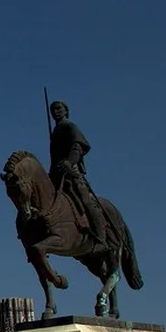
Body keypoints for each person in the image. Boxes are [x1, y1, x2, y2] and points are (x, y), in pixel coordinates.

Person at [48, 100, 108, 247]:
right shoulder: (55, 131)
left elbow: (78, 146)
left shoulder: (69, 126)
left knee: (85, 200)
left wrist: (70, 162)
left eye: (59, 108)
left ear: (66, 111)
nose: (56, 112)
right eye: (53, 110)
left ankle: (101, 237)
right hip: (56, 173)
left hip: (70, 171)